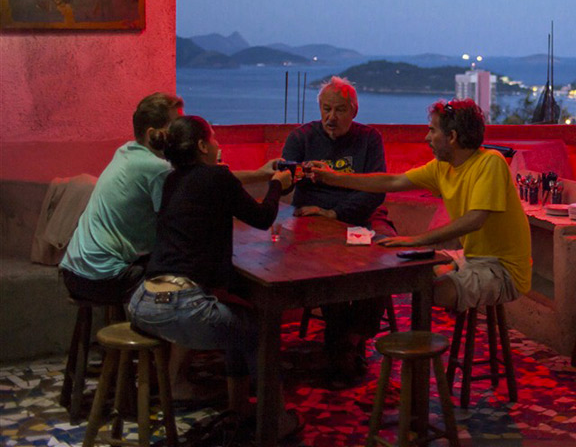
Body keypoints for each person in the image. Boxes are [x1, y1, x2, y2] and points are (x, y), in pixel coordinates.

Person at [128, 116, 303, 439]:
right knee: (261, 332)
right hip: (181, 305)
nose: (219, 145)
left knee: (239, 319)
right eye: (215, 139)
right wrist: (277, 184)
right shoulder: (217, 177)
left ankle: (238, 406)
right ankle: (274, 420)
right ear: (202, 146)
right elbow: (263, 218)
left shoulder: (172, 180)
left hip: (143, 301)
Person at [312, 99, 532, 314]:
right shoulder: (442, 167)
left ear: (452, 137)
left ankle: (424, 348)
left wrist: (415, 240)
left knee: (427, 292)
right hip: (469, 257)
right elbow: (392, 181)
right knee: (402, 270)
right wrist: (335, 178)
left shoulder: (490, 162)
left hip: (502, 269)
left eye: (432, 130)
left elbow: (475, 219)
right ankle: (355, 337)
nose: (427, 138)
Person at [282, 76, 395, 385]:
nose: (332, 118)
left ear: (353, 111)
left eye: (340, 110)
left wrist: (335, 212)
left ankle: (352, 337)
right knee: (326, 267)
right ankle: (344, 344)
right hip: (314, 220)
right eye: (326, 109)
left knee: (383, 260)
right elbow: (285, 182)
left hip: (361, 215)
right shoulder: (302, 138)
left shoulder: (369, 138)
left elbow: (376, 190)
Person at [60, 92, 184, 305]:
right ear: (153, 133)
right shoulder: (156, 168)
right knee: (183, 285)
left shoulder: (126, 151)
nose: (181, 134)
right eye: (174, 127)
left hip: (73, 273)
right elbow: (175, 225)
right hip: (103, 278)